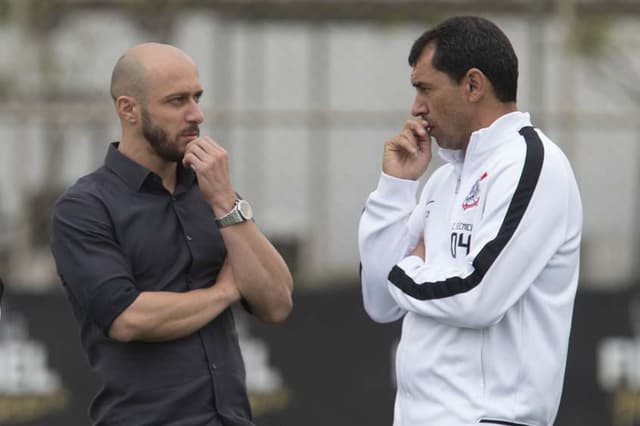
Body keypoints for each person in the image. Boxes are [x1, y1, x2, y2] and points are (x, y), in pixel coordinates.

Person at [50, 43, 293, 426]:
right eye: (177, 101)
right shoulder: (84, 207)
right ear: (128, 109)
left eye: (197, 97)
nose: (196, 114)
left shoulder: (215, 194)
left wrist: (227, 203)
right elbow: (127, 317)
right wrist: (224, 291)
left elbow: (276, 302)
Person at [358, 16, 582, 426]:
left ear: (473, 85)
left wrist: (408, 267)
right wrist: (395, 189)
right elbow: (379, 300)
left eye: (425, 88)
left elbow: (477, 298)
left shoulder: (532, 162)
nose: (415, 108)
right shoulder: (443, 179)